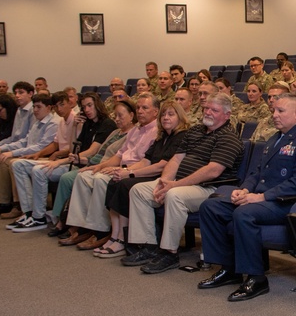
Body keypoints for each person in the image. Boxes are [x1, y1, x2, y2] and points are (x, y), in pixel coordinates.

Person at [197, 93, 296, 301]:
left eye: (280, 111)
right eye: (274, 110)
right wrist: (245, 190)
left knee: (244, 214)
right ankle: (229, 269)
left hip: (288, 202)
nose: (274, 115)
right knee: (211, 207)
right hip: (263, 198)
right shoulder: (276, 138)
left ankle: (256, 278)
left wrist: (261, 197)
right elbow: (257, 172)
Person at [123, 92, 243, 274]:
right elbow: (176, 159)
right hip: (180, 183)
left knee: (174, 195)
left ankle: (169, 252)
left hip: (208, 188)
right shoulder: (195, 130)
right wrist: (165, 181)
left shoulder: (229, 137)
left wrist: (175, 186)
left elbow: (212, 171)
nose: (208, 112)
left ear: (227, 115)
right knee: (138, 190)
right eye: (206, 108)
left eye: (214, 110)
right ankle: (147, 246)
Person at [95, 101, 191, 258]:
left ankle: (122, 239)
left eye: (171, 114)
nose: (166, 118)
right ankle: (115, 234)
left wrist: (130, 174)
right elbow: (146, 161)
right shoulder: (162, 137)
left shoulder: (181, 136)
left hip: (164, 176)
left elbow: (162, 166)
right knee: (115, 181)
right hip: (150, 172)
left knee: (125, 184)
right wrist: (125, 170)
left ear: (180, 117)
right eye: (164, 115)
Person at [61, 94, 159, 249]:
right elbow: (119, 155)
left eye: (145, 108)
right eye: (138, 107)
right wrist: (100, 165)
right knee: (84, 176)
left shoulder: (156, 131)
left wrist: (122, 169)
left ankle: (100, 230)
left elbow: (146, 161)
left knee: (100, 180)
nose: (140, 111)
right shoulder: (136, 130)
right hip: (122, 166)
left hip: (134, 170)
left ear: (155, 111)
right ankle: (81, 227)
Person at [10, 92, 116, 232]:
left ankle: (40, 216)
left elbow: (91, 152)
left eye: (90, 105)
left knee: (39, 170)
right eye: (84, 107)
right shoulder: (87, 123)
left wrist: (59, 162)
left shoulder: (106, 124)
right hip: (73, 161)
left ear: (98, 104)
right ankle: (29, 212)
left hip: (83, 163)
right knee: (18, 164)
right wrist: (74, 126)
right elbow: (73, 148)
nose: (87, 110)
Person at [47, 99, 134, 239]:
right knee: (81, 177)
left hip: (108, 167)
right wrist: (83, 160)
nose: (117, 119)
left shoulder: (132, 134)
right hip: (96, 163)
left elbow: (121, 158)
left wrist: (95, 166)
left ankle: (95, 229)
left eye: (120, 116)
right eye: (115, 115)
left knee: (80, 178)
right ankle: (77, 224)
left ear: (131, 116)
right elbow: (99, 153)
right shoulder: (115, 132)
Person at [0, 91, 60, 219]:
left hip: (43, 155)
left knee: (10, 162)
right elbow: (24, 141)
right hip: (30, 153)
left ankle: (16, 204)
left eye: (38, 107)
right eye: (34, 107)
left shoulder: (53, 123)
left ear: (49, 107)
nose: (35, 110)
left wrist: (12, 153)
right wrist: (2, 148)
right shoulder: (37, 122)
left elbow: (40, 147)